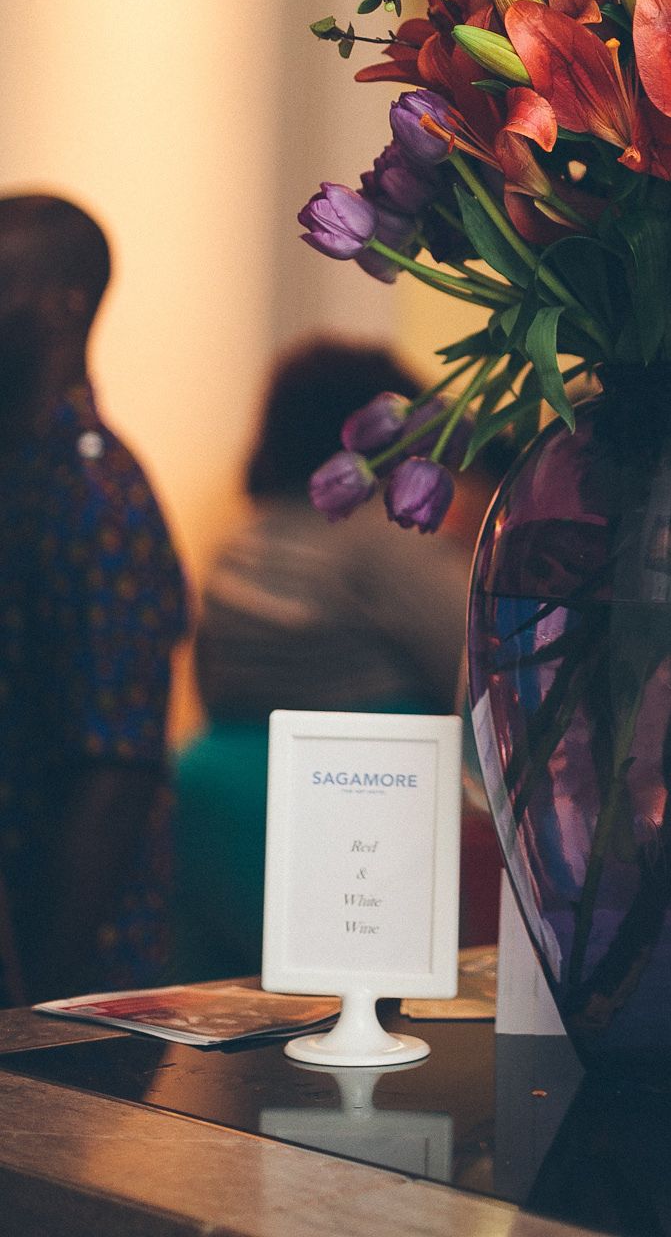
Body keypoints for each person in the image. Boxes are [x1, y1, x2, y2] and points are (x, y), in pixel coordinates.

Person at [176, 338, 495, 975]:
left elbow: (213, 684)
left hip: (209, 811)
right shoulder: (382, 541)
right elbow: (475, 677)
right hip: (350, 820)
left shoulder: (245, 541)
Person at [0, 193, 187, 1003]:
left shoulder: (96, 495)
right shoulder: (27, 473)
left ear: (63, 303)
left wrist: (36, 1002)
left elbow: (116, 769)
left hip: (68, 980)